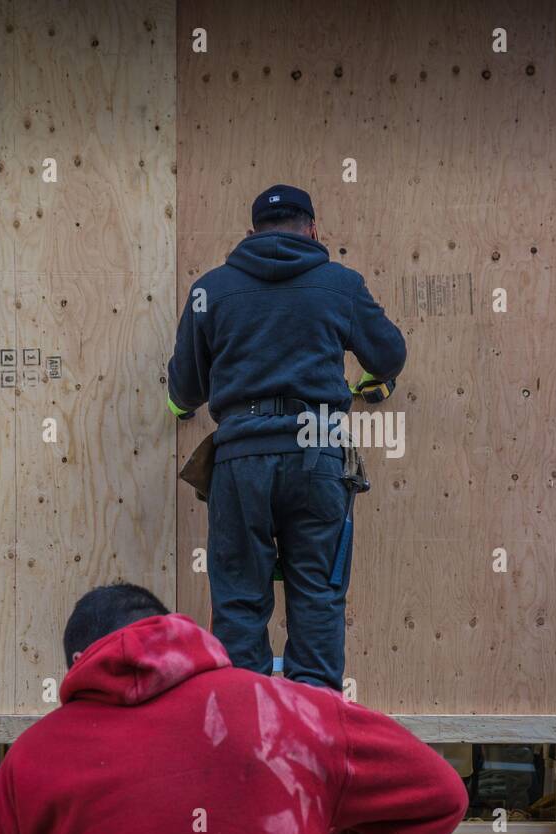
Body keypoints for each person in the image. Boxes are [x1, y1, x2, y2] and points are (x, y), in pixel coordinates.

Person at [0, 583, 467, 834]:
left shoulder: (27, 761)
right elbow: (441, 797)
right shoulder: (294, 712)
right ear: (170, 630)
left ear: (78, 664)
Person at [165, 184, 406, 692]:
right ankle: (312, 742)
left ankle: (244, 743)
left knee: (238, 604)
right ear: (313, 229)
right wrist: (371, 384)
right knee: (317, 600)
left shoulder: (212, 289)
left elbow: (185, 388)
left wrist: (183, 406)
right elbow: (388, 355)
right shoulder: (341, 285)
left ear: (251, 234)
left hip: (241, 461)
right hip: (317, 458)